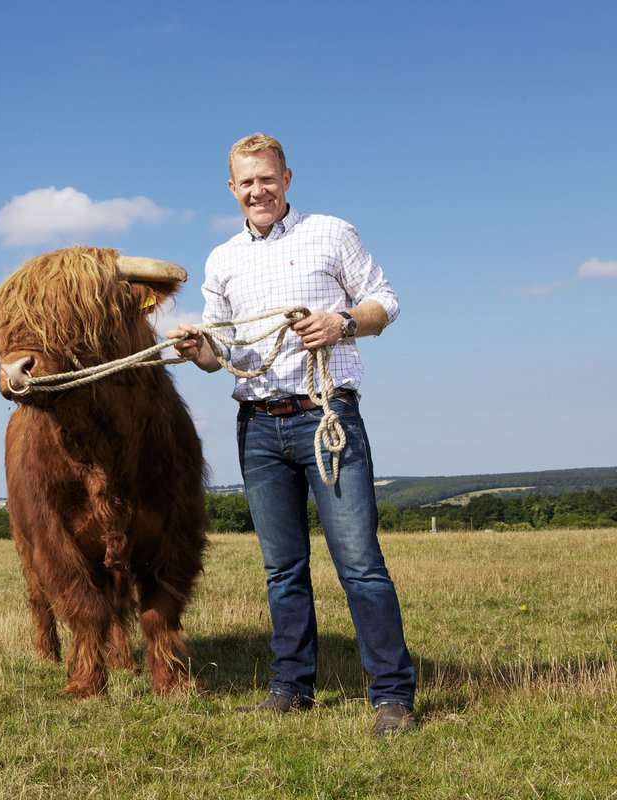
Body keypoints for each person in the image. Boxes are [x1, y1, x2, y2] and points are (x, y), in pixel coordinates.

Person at [171, 133, 417, 736]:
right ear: (232, 190)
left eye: (267, 178)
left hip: (326, 416)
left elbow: (386, 302)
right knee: (282, 569)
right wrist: (198, 347)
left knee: (359, 564)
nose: (257, 190)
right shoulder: (221, 259)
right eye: (245, 182)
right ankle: (291, 688)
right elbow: (220, 352)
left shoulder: (332, 232)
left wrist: (344, 321)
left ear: (286, 178)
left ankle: (391, 695)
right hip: (258, 426)